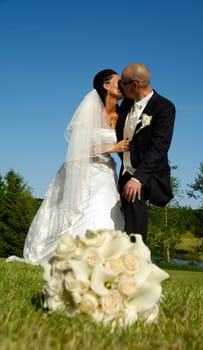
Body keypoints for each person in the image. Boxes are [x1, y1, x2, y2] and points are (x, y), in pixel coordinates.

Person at [7, 69, 130, 265]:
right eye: (119, 82)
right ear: (106, 85)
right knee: (85, 210)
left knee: (108, 212)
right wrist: (112, 147)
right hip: (85, 170)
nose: (123, 85)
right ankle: (75, 256)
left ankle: (105, 260)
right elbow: (79, 148)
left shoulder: (123, 114)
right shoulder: (91, 111)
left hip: (107, 171)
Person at [116, 63, 176, 243]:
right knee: (120, 219)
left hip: (145, 174)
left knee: (135, 221)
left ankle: (137, 263)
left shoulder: (164, 107)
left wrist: (138, 179)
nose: (120, 87)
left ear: (134, 84)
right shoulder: (126, 104)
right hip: (124, 171)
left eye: (122, 83)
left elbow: (160, 146)